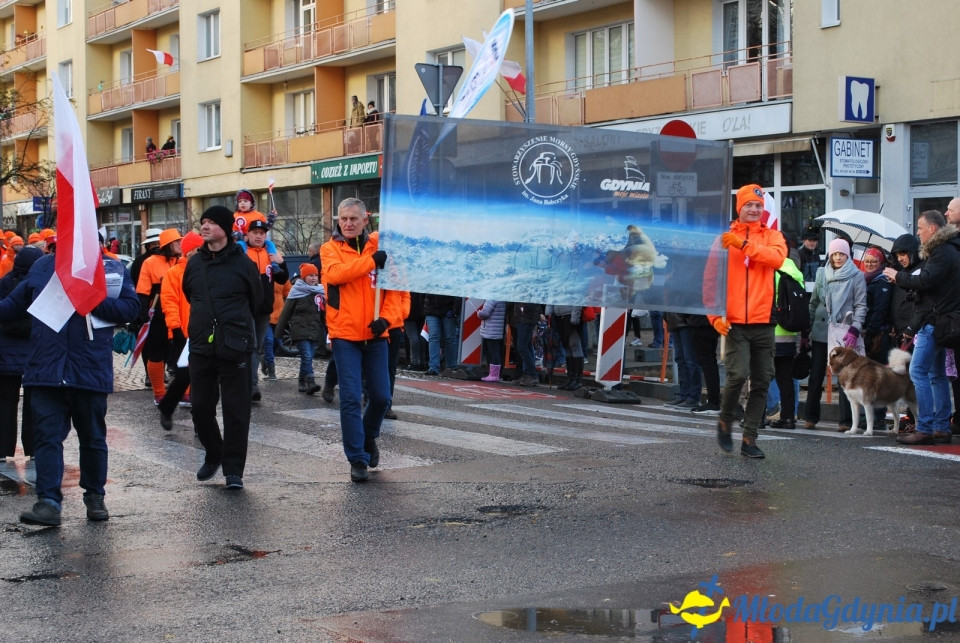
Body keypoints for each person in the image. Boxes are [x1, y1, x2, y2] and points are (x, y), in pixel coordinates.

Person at [0, 241, 139, 525]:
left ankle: (94, 496)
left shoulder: (110, 267)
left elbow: (130, 309)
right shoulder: (42, 266)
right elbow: (11, 306)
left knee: (92, 438)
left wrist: (93, 299)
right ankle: (48, 502)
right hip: (46, 372)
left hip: (88, 371)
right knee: (46, 439)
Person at [182, 206, 262, 490]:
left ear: (226, 229)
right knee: (201, 408)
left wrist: (235, 328)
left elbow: (257, 302)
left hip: (235, 346)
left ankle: (233, 470)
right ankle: (214, 451)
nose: (205, 226)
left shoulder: (244, 265)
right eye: (203, 222)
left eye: (212, 222)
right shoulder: (194, 264)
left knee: (236, 410)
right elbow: (189, 295)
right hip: (203, 345)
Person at [704, 184, 787, 458]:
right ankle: (726, 419)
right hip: (735, 322)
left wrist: (744, 245)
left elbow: (776, 259)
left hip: (764, 321)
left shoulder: (773, 236)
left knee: (762, 381)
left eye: (759, 206)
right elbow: (710, 281)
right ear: (739, 207)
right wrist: (714, 317)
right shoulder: (723, 239)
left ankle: (749, 438)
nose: (754, 210)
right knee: (737, 375)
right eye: (749, 205)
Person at [321, 197, 390, 483]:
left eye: (353, 219)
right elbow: (337, 275)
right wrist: (369, 262)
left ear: (365, 220)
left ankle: (369, 436)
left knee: (382, 397)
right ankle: (357, 459)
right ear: (338, 220)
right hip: (345, 335)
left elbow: (398, 293)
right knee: (350, 397)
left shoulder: (381, 247)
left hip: (375, 335)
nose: (348, 224)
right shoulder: (330, 249)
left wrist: (387, 319)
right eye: (343, 219)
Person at [884, 210, 960, 445]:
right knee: (937, 375)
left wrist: (899, 278)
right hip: (941, 321)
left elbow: (926, 281)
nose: (917, 232)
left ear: (933, 229)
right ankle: (940, 427)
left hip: (933, 321)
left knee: (917, 372)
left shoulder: (942, 252)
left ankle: (925, 427)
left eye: (920, 228)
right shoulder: (949, 250)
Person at [804, 238, 867, 432]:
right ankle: (810, 417)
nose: (838, 257)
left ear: (848, 255)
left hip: (843, 332)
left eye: (842, 254)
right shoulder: (822, 273)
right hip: (822, 331)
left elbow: (861, 305)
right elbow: (814, 302)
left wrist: (855, 328)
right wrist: (806, 331)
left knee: (845, 376)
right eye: (834, 254)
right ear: (830, 255)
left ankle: (846, 420)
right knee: (816, 375)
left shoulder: (856, 276)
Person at [156, 231, 204, 430]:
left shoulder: (206, 269)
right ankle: (167, 407)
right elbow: (169, 302)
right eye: (198, 249)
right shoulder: (174, 273)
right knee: (184, 376)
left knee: (204, 379)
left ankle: (202, 421)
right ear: (190, 251)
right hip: (182, 333)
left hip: (203, 331)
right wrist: (175, 329)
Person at [239, 213, 288, 402]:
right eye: (255, 232)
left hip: (264, 309)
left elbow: (283, 279)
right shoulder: (242, 253)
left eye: (262, 233)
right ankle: (252, 385)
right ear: (248, 234)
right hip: (246, 308)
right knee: (251, 346)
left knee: (256, 347)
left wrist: (280, 263)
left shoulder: (271, 254)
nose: (258, 236)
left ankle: (246, 381)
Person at [0, 246, 42, 461]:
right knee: (33, 404)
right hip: (33, 355)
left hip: (6, 356)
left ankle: (3, 449)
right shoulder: (40, 286)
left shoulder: (5, 283)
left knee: (6, 403)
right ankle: (33, 449)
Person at [136, 228, 182, 405]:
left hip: (180, 312)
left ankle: (185, 392)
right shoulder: (150, 263)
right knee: (156, 353)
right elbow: (142, 291)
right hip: (158, 314)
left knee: (182, 353)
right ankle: (159, 393)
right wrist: (142, 316)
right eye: (177, 242)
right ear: (168, 244)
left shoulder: (182, 261)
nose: (180, 244)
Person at [274, 263, 325, 395]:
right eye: (310, 276)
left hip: (314, 331)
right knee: (307, 355)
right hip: (299, 330)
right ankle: (311, 381)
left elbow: (325, 315)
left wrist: (330, 333)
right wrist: (278, 334)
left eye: (315, 275)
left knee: (308, 357)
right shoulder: (296, 291)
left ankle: (302, 382)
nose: (313, 278)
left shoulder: (320, 292)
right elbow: (285, 313)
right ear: (303, 277)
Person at [381, 289, 410, 419]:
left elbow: (405, 295)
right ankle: (371, 396)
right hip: (376, 323)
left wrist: (401, 313)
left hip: (394, 326)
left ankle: (387, 404)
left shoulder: (398, 273)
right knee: (372, 365)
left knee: (390, 367)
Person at [544, 305, 584, 391]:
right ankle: (571, 378)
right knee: (567, 345)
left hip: (569, 315)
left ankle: (577, 379)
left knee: (574, 344)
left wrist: (575, 317)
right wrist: (549, 311)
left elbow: (578, 298)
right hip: (560, 315)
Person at [423, 294, 460, 375]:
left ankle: (446, 366)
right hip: (436, 309)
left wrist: (455, 309)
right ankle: (439, 366)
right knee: (439, 337)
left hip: (437, 308)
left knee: (440, 338)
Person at [513, 302, 541, 387]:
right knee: (527, 346)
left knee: (522, 346)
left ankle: (532, 374)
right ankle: (528, 373)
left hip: (526, 317)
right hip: (524, 317)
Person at [477, 299, 506, 382]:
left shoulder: (491, 298)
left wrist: (479, 313)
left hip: (491, 329)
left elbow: (485, 313)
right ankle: (496, 374)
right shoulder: (502, 299)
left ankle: (494, 375)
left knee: (493, 352)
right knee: (496, 351)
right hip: (497, 329)